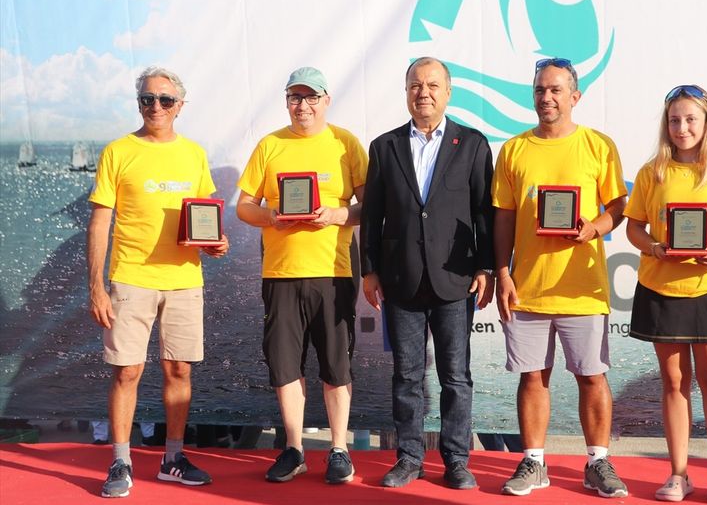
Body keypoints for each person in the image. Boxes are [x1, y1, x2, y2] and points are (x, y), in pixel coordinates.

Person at [88, 66, 229, 498]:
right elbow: (100, 222)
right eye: (148, 99)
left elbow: (203, 215)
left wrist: (215, 243)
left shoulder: (194, 154)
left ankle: (173, 459)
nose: (156, 106)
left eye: (165, 99)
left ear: (180, 106)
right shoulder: (118, 151)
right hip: (130, 279)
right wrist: (96, 286)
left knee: (179, 369)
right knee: (127, 372)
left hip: (184, 280)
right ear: (139, 104)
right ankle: (121, 461)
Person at [492, 57, 628, 498]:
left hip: (583, 289)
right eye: (539, 90)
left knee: (592, 377)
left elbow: (618, 207)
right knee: (532, 377)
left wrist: (594, 228)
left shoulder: (598, 145)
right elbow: (503, 217)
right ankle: (534, 462)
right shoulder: (514, 149)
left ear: (575, 96)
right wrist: (502, 272)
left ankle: (598, 462)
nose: (546, 98)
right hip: (528, 288)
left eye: (555, 90)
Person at [360, 56, 494, 490]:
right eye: (416, 85)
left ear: (448, 92)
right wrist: (369, 270)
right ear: (406, 92)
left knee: (456, 377)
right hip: (400, 279)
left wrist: (486, 266)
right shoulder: (384, 147)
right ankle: (409, 458)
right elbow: (373, 214)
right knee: (407, 376)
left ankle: (456, 459)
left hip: (455, 280)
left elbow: (483, 212)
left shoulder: (472, 144)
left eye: (433, 85)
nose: (424, 93)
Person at [236, 66, 367, 485]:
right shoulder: (270, 144)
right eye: (295, 97)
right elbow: (243, 206)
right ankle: (294, 449)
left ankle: (339, 449)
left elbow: (369, 206)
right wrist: (271, 216)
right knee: (285, 365)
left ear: (326, 100)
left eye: (311, 97)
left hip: (334, 272)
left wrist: (337, 214)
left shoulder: (346, 143)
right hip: (281, 274)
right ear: (287, 102)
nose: (303, 105)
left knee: (336, 366)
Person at [625, 84, 707, 504]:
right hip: (661, 288)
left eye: (690, 119)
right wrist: (653, 247)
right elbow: (634, 227)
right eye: (674, 120)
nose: (682, 128)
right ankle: (679, 474)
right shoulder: (652, 172)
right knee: (674, 383)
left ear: (706, 122)